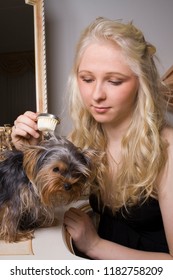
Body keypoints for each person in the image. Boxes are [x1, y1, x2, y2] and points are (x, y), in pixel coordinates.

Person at [11, 17, 173, 259]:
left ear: (143, 84)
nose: (96, 95)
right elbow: (44, 198)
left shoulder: (168, 150)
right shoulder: (86, 139)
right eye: (87, 79)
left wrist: (95, 245)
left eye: (114, 81)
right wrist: (28, 157)